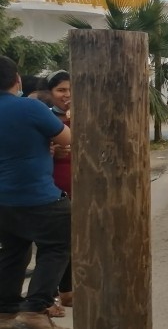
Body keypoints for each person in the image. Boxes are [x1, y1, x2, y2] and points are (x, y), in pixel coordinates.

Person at [0, 56, 72, 329]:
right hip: (37, 196)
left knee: (14, 250)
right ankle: (35, 307)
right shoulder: (29, 107)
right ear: (16, 79)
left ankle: (5, 309)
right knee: (58, 243)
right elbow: (67, 138)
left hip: (3, 201)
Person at [44, 70, 73, 315]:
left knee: (76, 240)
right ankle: (49, 296)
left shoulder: (86, 115)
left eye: (71, 90)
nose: (67, 95)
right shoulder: (44, 117)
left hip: (83, 186)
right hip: (55, 187)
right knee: (56, 243)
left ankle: (69, 290)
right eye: (61, 90)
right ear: (51, 93)